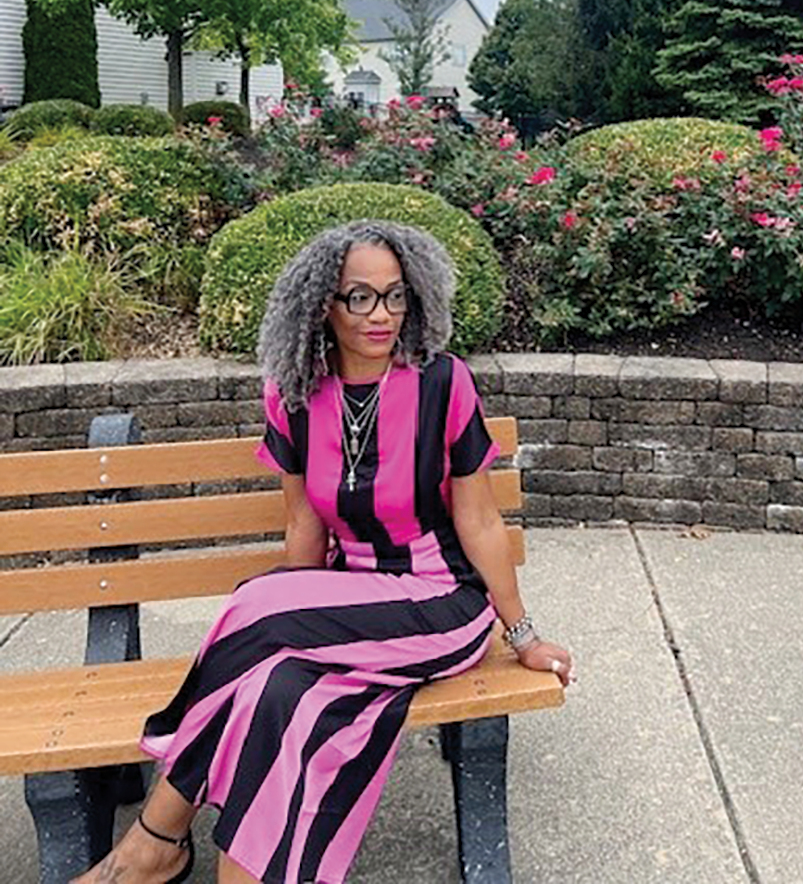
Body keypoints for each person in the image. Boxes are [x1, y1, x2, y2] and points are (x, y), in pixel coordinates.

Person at [73, 220, 573, 884]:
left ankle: (155, 837)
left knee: (258, 607)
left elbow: (480, 521)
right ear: (320, 306)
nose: (381, 316)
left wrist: (523, 634)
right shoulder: (295, 395)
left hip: (440, 601)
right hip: (350, 605)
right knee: (276, 692)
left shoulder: (442, 384)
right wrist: (297, 636)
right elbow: (303, 530)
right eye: (359, 297)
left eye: (396, 297)